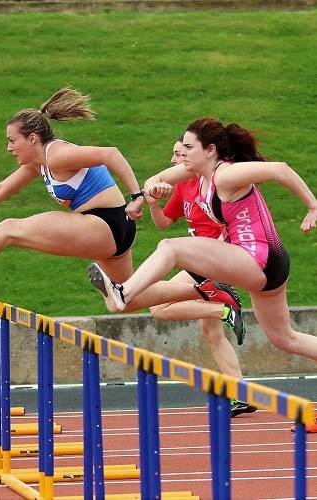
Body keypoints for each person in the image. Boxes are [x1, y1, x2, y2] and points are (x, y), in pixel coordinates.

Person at [88, 118, 317, 429]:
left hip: (258, 259)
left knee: (171, 248)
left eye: (188, 147)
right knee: (285, 338)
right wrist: (150, 193)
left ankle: (123, 292)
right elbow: (157, 179)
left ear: (209, 151)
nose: (181, 154)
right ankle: (139, 295)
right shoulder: (195, 173)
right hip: (267, 267)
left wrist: (312, 207)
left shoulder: (227, 174)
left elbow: (281, 169)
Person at [0, 87, 153, 291]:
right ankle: (179, 294)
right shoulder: (38, 164)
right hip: (114, 230)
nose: (8, 148)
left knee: (10, 229)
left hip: (104, 224)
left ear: (32, 138)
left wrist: (136, 196)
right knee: (126, 297)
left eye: (12, 141)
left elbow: (111, 153)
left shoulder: (57, 156)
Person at [145, 136, 253, 417]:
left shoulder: (216, 182)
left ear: (194, 155)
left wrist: (216, 254)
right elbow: (163, 224)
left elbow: (232, 221)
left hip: (216, 258)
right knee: (211, 333)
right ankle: (241, 394)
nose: (173, 160)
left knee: (158, 306)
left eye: (178, 154)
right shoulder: (183, 186)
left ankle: (223, 308)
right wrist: (153, 204)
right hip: (202, 259)